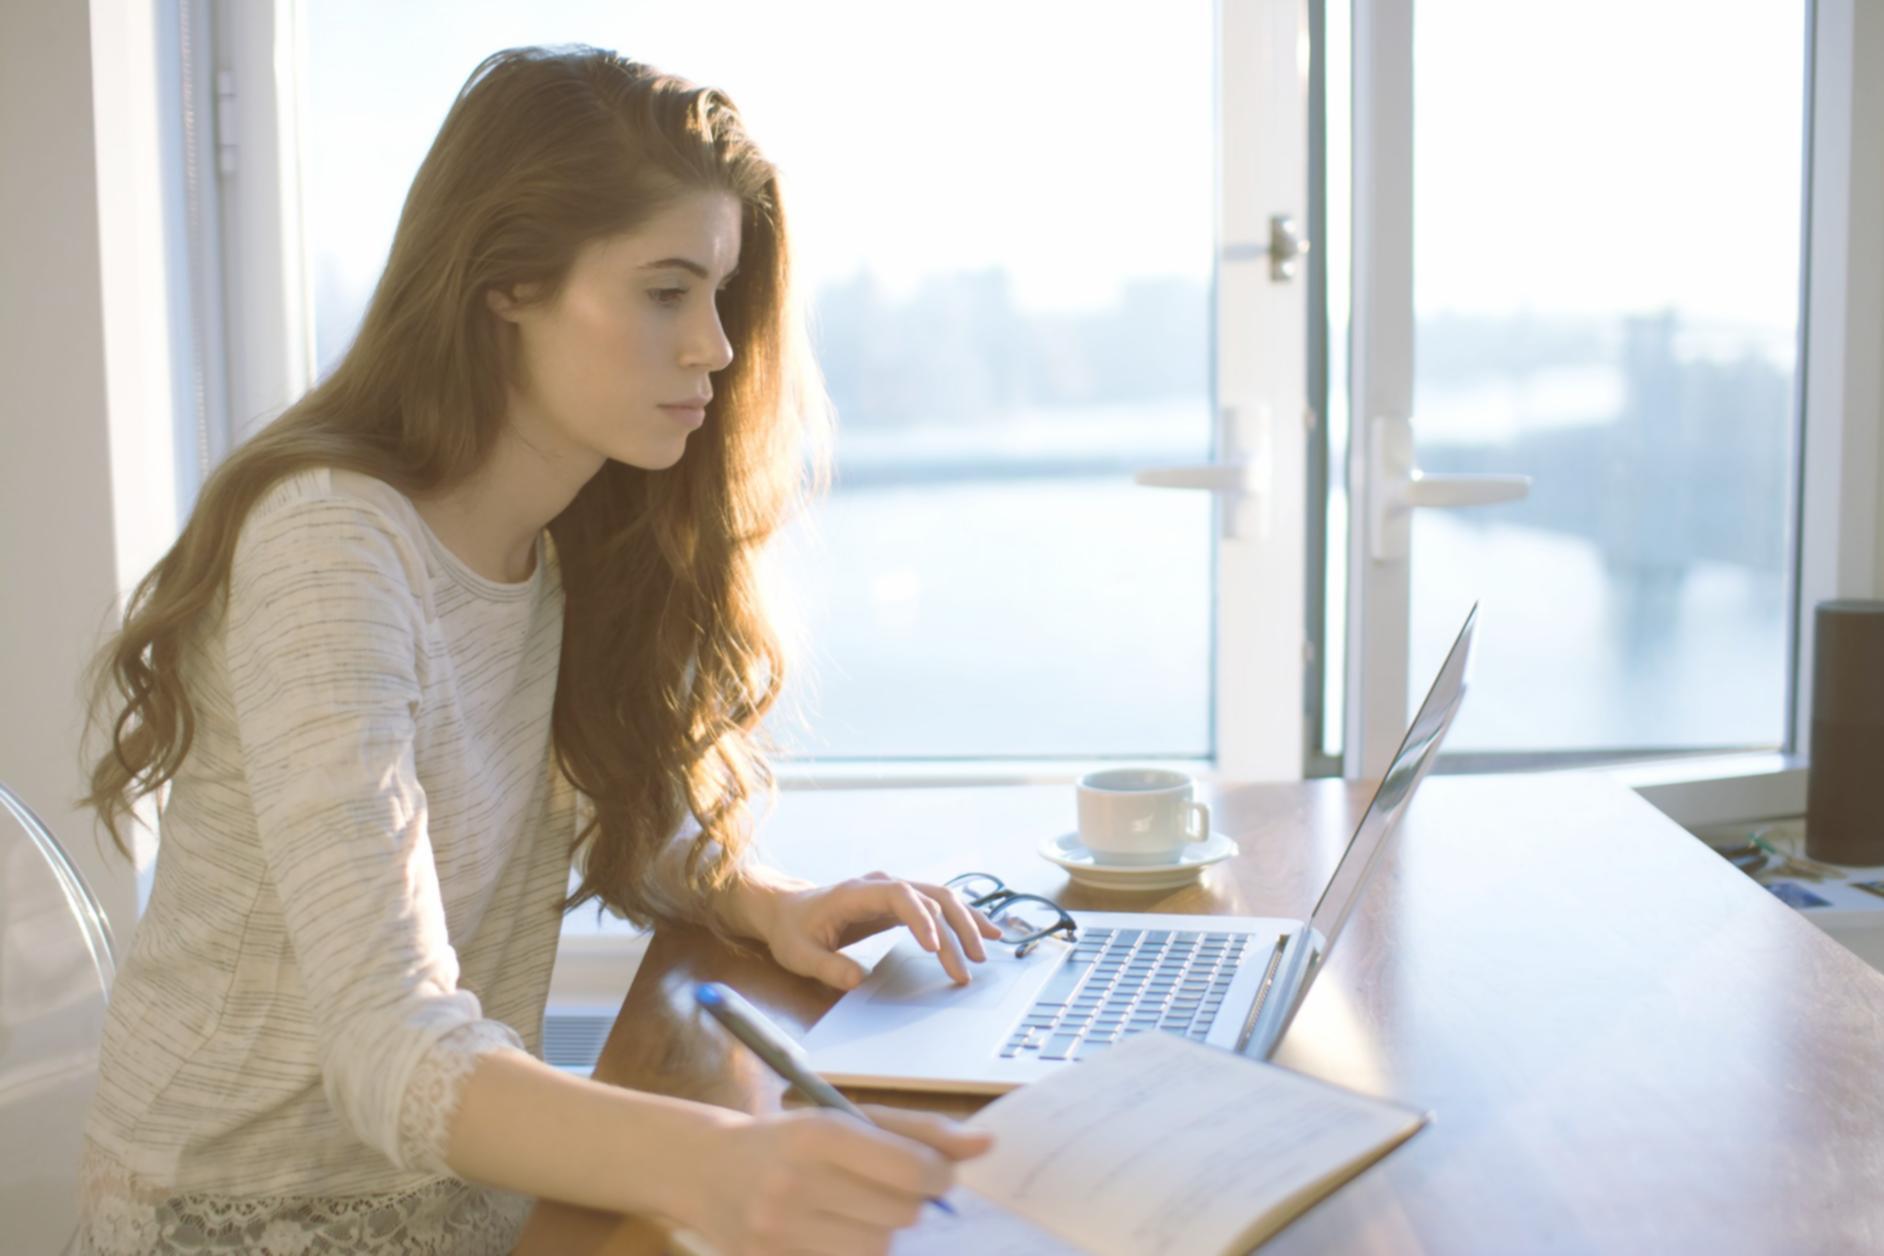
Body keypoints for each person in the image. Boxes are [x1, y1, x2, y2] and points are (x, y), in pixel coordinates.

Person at [74, 43, 1001, 1256]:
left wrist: (769, 902)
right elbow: (391, 1046)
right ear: (507, 282)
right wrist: (722, 1165)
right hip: (223, 1223)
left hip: (464, 1201)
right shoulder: (329, 548)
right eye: (667, 291)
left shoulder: (565, 536)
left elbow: (602, 807)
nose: (716, 346)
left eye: (719, 294)